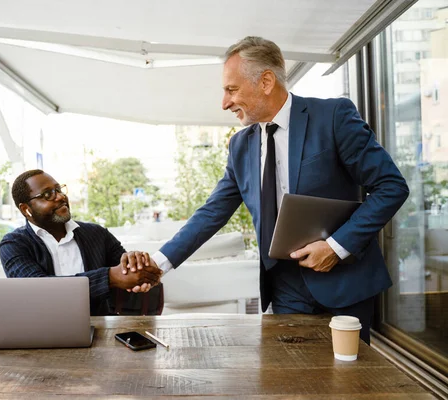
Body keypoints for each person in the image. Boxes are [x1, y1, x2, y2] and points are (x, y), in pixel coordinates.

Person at [122, 36, 409, 344]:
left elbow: (390, 186)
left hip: (344, 281)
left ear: (266, 81)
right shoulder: (240, 146)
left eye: (232, 90)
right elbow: (212, 213)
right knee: (291, 383)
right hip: (285, 287)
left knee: (347, 384)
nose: (225, 103)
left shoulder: (333, 117)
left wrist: (336, 247)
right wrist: (159, 264)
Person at [0, 169, 163, 316]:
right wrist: (110, 277)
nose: (61, 196)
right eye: (48, 194)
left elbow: (127, 272)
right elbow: (38, 291)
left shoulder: (97, 234)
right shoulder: (13, 244)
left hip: (99, 331)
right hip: (41, 333)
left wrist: (138, 267)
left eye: (59, 189)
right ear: (25, 209)